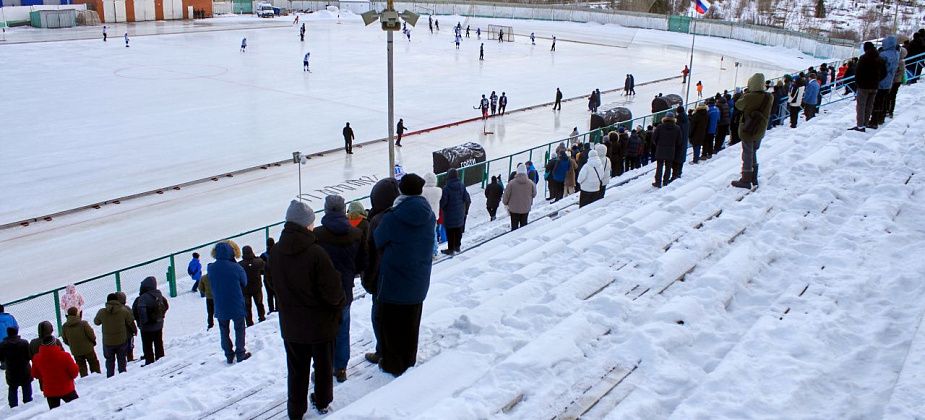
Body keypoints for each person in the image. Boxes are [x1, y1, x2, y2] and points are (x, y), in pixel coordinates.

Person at [269, 200, 344, 417]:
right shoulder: (316, 253)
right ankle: (322, 401)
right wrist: (337, 305)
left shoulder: (275, 253)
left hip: (291, 325)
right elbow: (332, 291)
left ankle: (295, 410)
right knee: (322, 366)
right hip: (320, 325)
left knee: (296, 370)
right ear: (305, 225)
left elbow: (272, 284)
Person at [374, 174, 435, 376]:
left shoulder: (393, 217)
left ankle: (392, 364)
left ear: (401, 192)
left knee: (391, 325)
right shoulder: (429, 214)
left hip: (395, 282)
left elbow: (378, 240)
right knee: (411, 324)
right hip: (419, 281)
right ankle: (409, 361)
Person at [313, 195, 365, 384]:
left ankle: (323, 367)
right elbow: (361, 264)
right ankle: (341, 367)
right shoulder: (356, 234)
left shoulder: (316, 236)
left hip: (322, 294)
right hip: (345, 290)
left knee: (324, 332)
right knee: (343, 329)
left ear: (326, 210)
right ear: (344, 211)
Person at [362, 177, 401, 365]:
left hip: (382, 280)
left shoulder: (377, 221)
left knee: (379, 316)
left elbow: (371, 256)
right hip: (401, 277)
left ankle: (383, 351)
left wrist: (369, 281)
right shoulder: (401, 214)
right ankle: (392, 348)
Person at [209, 240, 251, 364]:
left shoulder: (211, 268)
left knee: (224, 330)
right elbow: (244, 282)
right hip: (236, 303)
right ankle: (240, 353)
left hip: (220, 305)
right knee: (239, 329)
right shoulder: (236, 267)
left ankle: (228, 354)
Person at [732, 73, 774, 188]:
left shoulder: (748, 97)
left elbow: (738, 106)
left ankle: (746, 180)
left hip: (748, 129)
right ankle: (754, 177)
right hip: (760, 129)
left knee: (747, 153)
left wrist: (743, 95)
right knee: (753, 151)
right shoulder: (769, 97)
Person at [30, 335, 79, 410]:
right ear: (55, 343)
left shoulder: (37, 358)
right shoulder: (65, 356)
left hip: (50, 392)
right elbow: (74, 373)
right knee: (77, 410)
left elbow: (35, 374)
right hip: (67, 389)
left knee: (54, 414)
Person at [94, 294, 135, 377]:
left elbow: (96, 322)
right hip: (121, 340)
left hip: (108, 341)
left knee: (109, 360)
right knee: (122, 359)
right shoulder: (123, 311)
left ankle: (110, 376)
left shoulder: (102, 312)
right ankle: (122, 375)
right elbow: (130, 321)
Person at [132, 276, 169, 365]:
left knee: (147, 345)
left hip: (147, 327)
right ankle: (160, 358)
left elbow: (139, 311)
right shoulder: (158, 294)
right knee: (158, 342)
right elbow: (166, 305)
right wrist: (161, 316)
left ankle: (149, 361)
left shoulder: (142, 298)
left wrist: (142, 323)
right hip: (158, 324)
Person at [850, 42, 885, 132]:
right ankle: (865, 123)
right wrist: (877, 80)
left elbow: (857, 73)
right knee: (869, 106)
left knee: (861, 106)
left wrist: (858, 83)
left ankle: (860, 126)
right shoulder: (880, 58)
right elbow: (884, 73)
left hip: (863, 86)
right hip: (874, 86)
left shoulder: (863, 58)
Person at [869, 35, 900, 129]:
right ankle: (881, 118)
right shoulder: (896, 54)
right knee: (884, 101)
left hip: (881, 81)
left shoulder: (883, 55)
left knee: (877, 101)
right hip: (889, 81)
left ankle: (874, 121)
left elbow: (879, 68)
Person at [61, 307, 100, 377]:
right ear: (76, 314)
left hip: (76, 350)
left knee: (81, 366)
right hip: (88, 348)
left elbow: (65, 339)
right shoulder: (83, 324)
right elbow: (91, 334)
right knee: (93, 363)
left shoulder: (65, 327)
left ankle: (84, 378)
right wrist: (92, 342)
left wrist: (72, 345)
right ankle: (97, 376)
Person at [0, 326, 33, 408]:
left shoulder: (3, 345)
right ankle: (28, 401)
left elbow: (1, 358)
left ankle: (13, 404)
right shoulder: (24, 343)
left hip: (11, 371)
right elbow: (29, 355)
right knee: (26, 385)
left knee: (12, 387)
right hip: (25, 369)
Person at [439, 168, 470, 255]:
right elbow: (466, 198)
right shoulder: (461, 185)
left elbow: (443, 203)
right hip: (460, 212)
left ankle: (451, 248)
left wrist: (442, 208)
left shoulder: (446, 188)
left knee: (450, 231)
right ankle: (457, 246)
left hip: (449, 214)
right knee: (458, 230)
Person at [652, 111, 682, 188]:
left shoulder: (659, 127)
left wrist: (658, 144)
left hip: (660, 149)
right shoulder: (677, 128)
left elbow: (654, 138)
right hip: (671, 150)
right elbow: (679, 141)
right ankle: (665, 182)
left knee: (659, 166)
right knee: (668, 167)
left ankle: (658, 182)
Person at [502, 164, 537, 230]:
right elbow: (534, 194)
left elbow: (506, 196)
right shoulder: (531, 183)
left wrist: (505, 203)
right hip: (526, 208)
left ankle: (514, 237)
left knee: (514, 226)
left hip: (514, 209)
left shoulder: (511, 183)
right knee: (524, 225)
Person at [239, 246, 266, 326]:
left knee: (247, 307)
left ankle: (249, 322)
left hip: (245, 289)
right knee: (259, 303)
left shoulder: (240, 265)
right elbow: (264, 269)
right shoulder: (258, 261)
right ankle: (262, 317)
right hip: (257, 287)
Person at [886, 42, 907, 119]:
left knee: (891, 96)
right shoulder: (902, 61)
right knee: (892, 96)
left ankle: (889, 111)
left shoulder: (899, 61)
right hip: (897, 80)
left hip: (894, 80)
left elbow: (895, 70)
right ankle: (889, 110)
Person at [114, 292, 136, 361]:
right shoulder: (127, 309)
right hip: (128, 333)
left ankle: (122, 361)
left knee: (121, 349)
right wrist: (134, 330)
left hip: (117, 334)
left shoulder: (112, 310)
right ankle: (130, 359)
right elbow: (132, 320)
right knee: (129, 348)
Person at [260, 238, 277, 314]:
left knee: (269, 295)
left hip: (267, 278)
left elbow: (261, 270)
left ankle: (271, 309)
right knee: (277, 294)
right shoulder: (277, 253)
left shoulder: (263, 256)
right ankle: (278, 308)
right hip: (277, 276)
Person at [672, 105, 690, 180]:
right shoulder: (687, 120)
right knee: (681, 158)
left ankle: (675, 175)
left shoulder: (679, 121)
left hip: (678, 144)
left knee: (676, 159)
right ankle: (679, 173)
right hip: (684, 142)